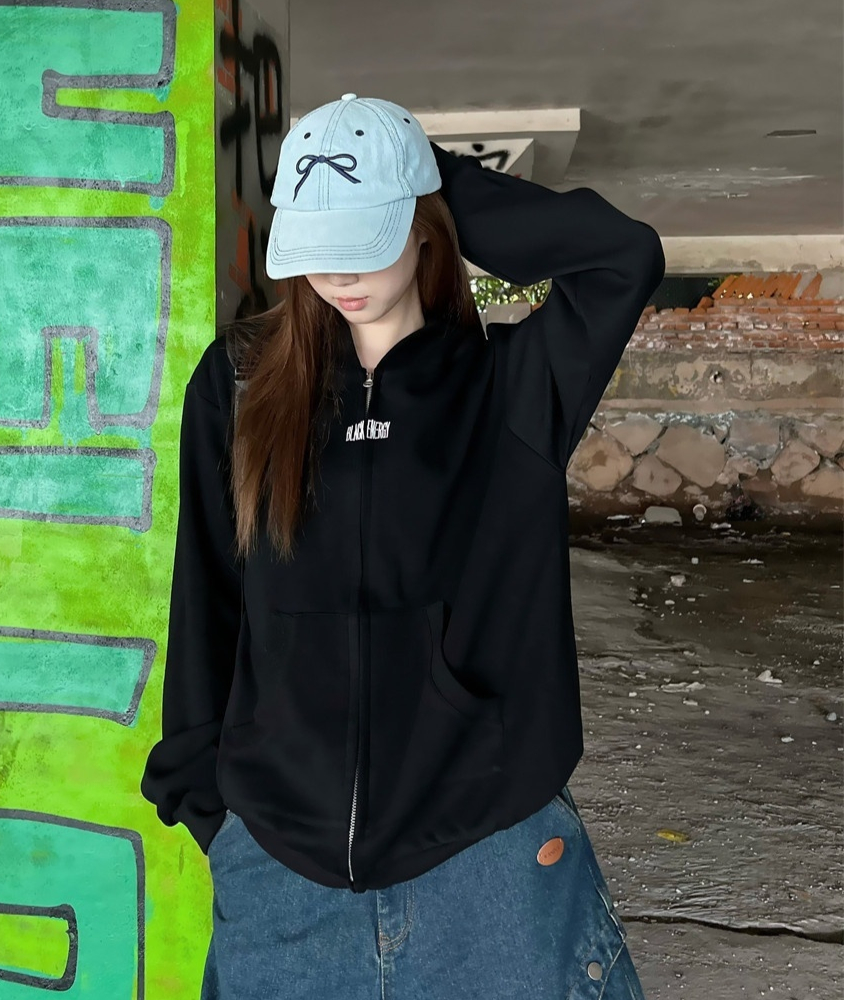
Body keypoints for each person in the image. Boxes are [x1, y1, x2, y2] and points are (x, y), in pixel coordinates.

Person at [141, 92, 665, 998]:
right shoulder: (238, 388)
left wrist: (435, 180)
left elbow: (623, 258)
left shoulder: (512, 389)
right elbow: (207, 600)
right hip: (280, 868)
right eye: (318, 243)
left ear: (422, 227)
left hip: (486, 853)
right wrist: (214, 814)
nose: (339, 271)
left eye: (364, 237)